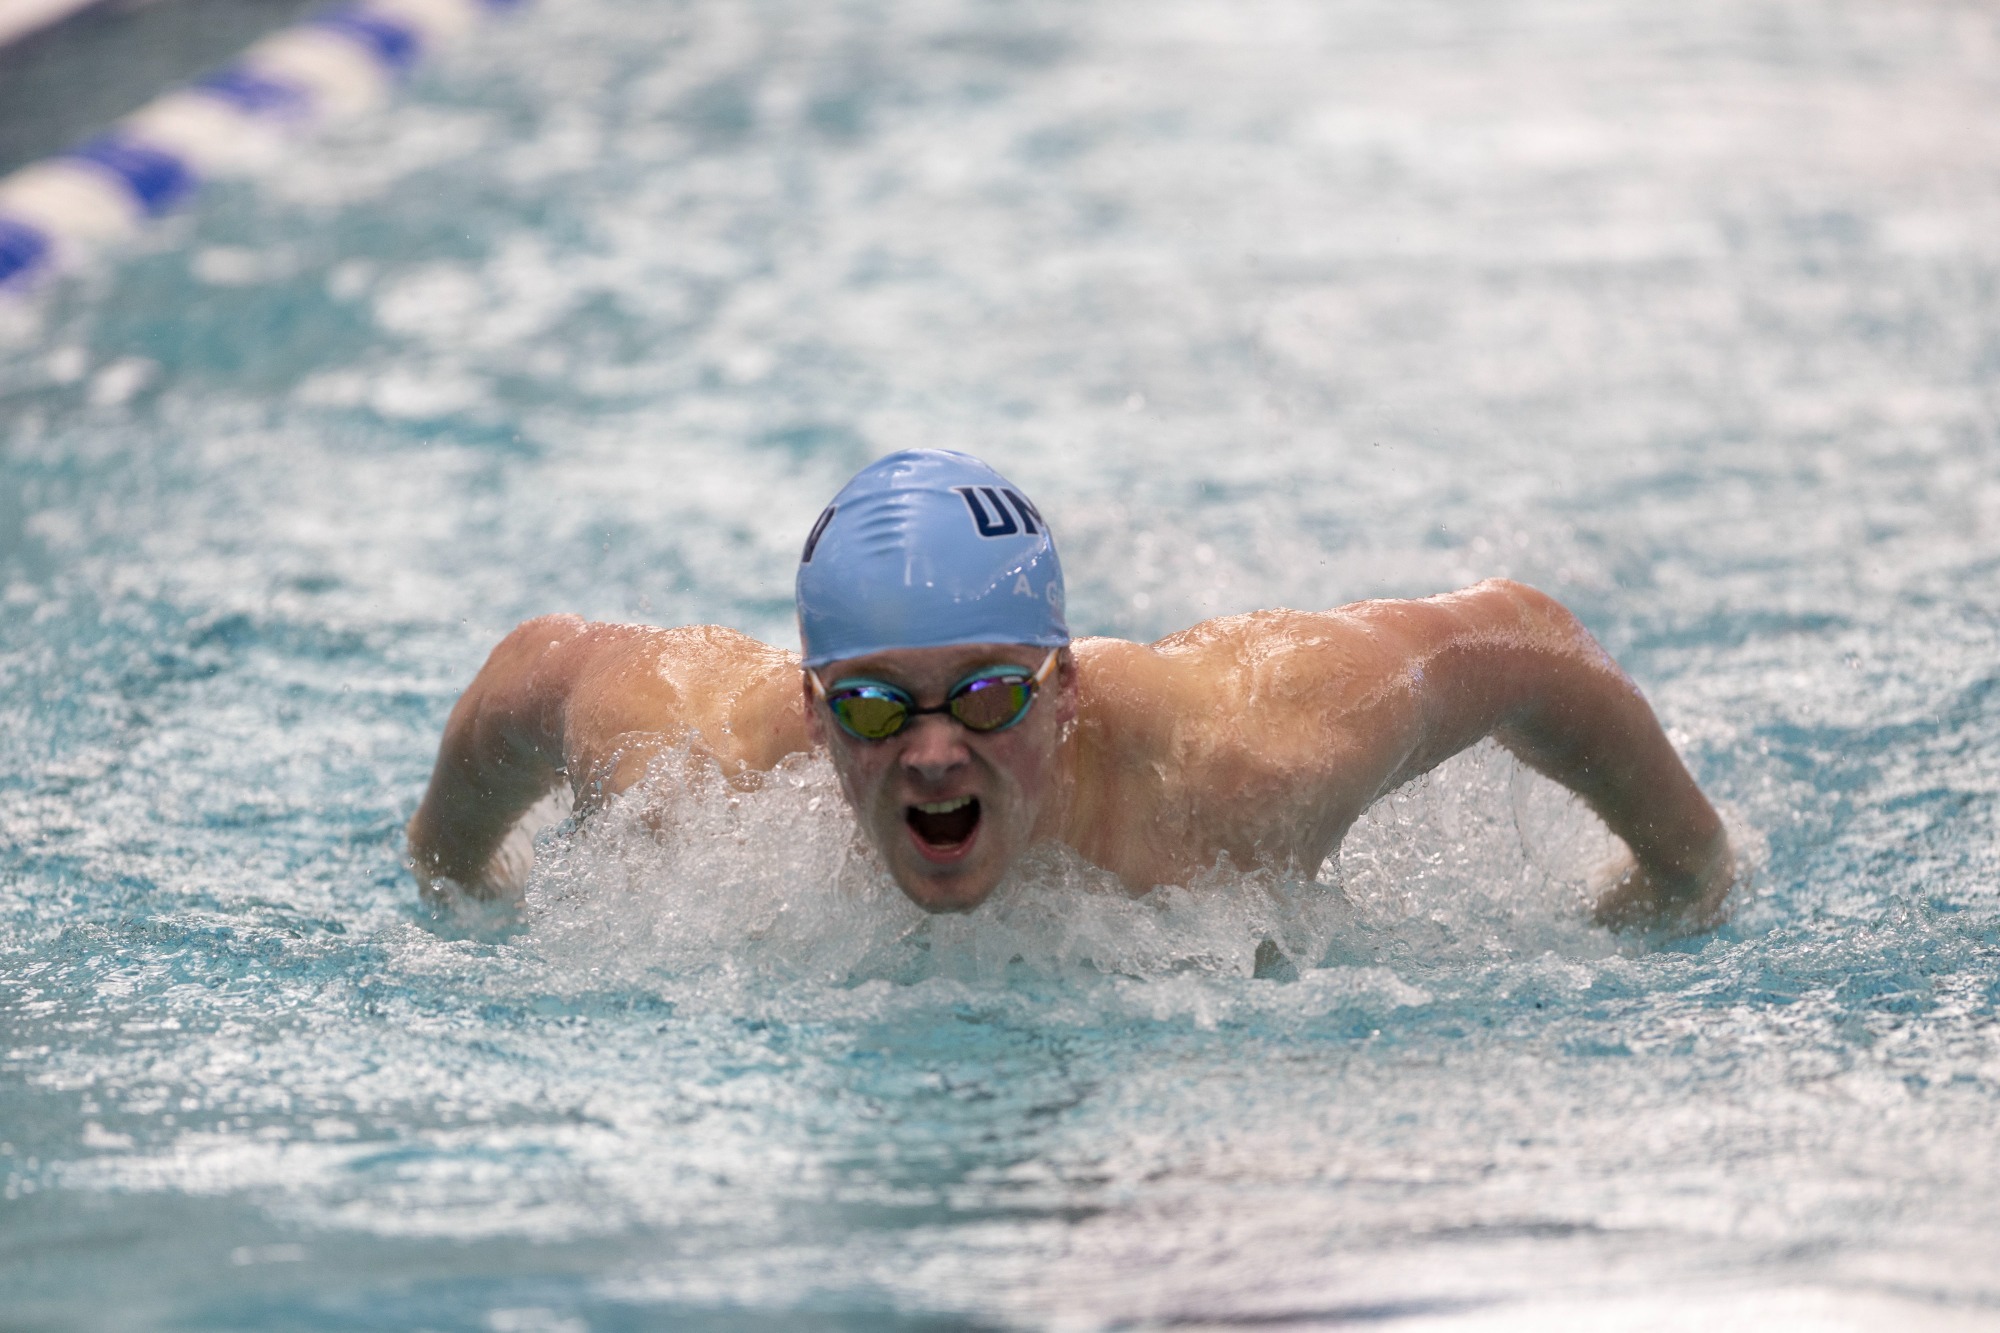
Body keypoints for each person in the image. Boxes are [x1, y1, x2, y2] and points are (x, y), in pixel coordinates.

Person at [407, 449, 1735, 929]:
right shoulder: (700, 768)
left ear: (1067, 689)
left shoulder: (1241, 760)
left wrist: (1685, 876)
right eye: (874, 707)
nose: (932, 753)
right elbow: (536, 670)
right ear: (812, 714)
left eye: (985, 696)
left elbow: (1518, 638)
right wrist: (457, 883)